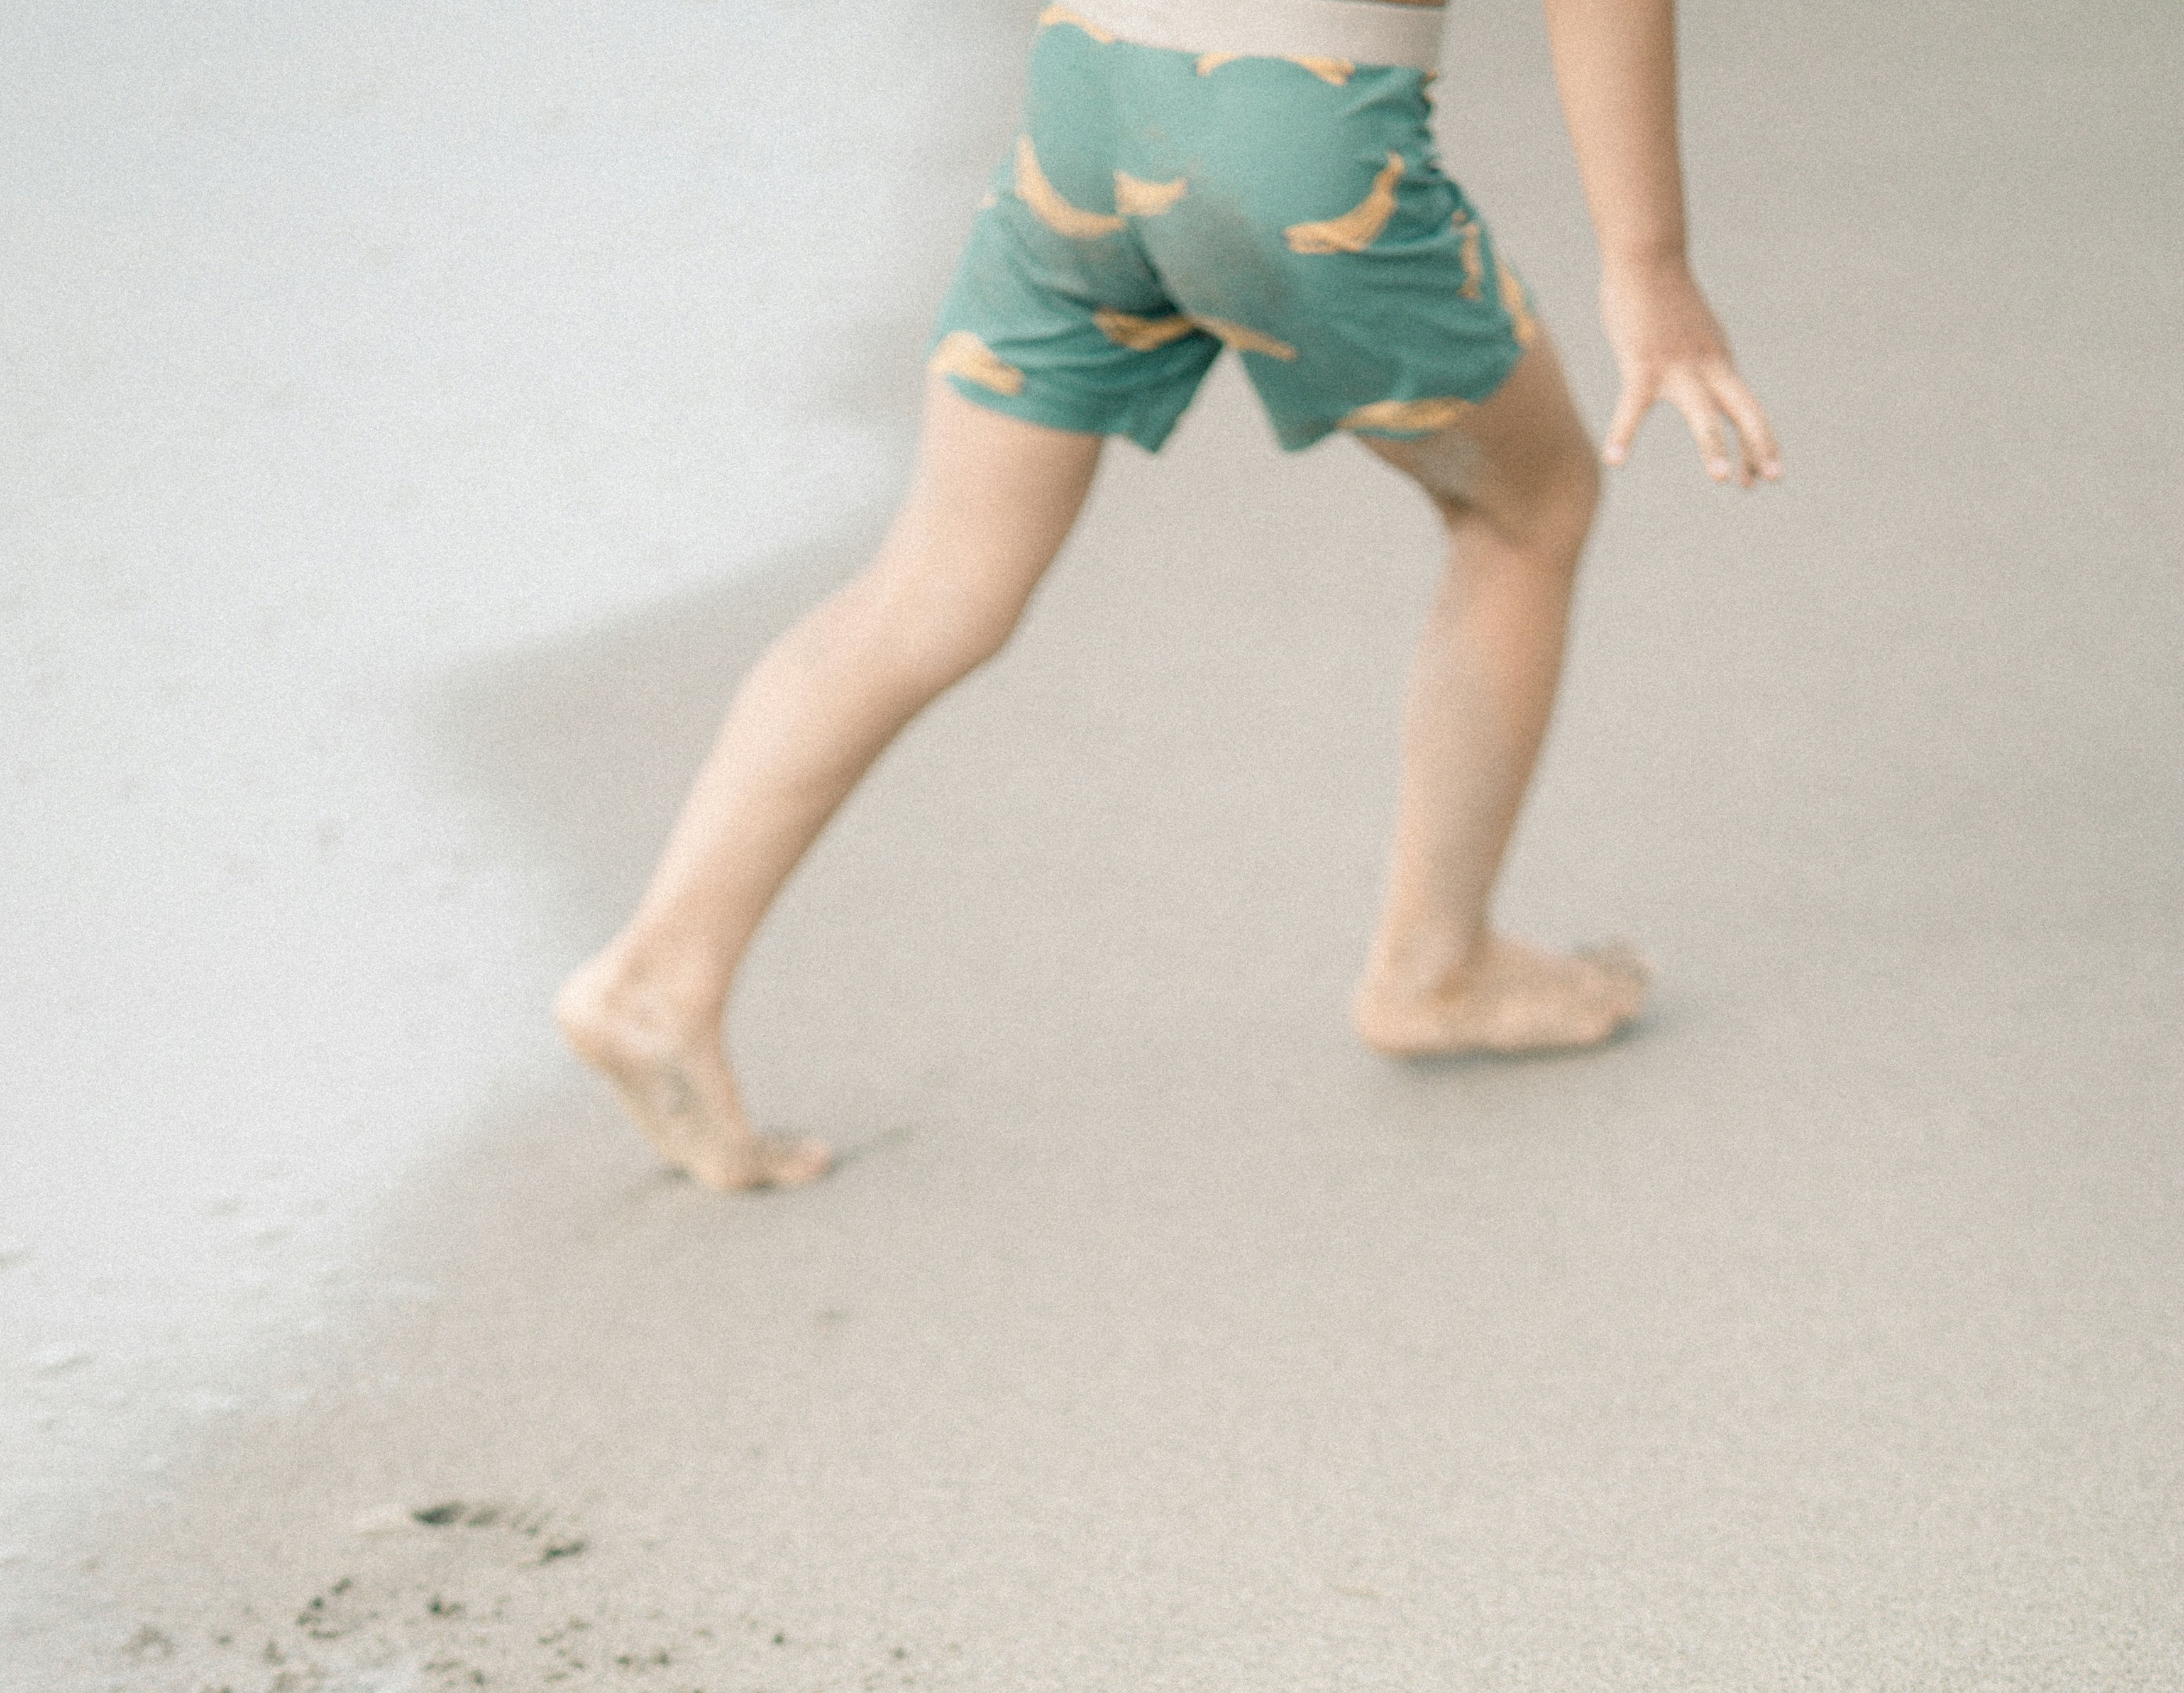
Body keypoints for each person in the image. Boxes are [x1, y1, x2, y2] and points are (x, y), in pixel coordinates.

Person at [558, 0, 1780, 1191]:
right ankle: (1436, 968)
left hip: (1090, 91)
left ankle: (657, 976)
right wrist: (1650, 267)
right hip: (1289, 131)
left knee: (937, 579)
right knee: (1530, 510)